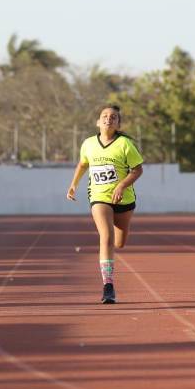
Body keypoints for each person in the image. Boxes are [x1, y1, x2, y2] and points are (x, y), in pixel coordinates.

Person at [66, 105, 144, 304]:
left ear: (118, 124)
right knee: (106, 236)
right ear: (98, 122)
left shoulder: (125, 144)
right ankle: (108, 286)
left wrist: (121, 186)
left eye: (113, 117)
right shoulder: (89, 144)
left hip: (124, 199)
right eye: (105, 116)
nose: (109, 119)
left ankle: (117, 242)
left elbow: (137, 170)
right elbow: (83, 164)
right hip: (99, 197)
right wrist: (74, 185)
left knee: (119, 242)